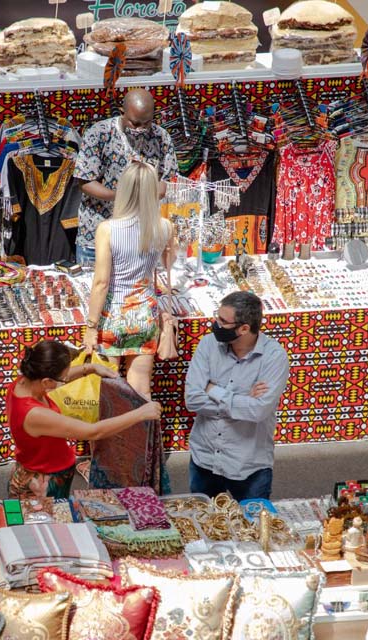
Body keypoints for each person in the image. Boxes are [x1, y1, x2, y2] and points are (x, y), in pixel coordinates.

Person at [8, 340, 162, 499]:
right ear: (46, 381)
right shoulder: (35, 414)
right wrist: (140, 414)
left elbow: (60, 377)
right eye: (61, 379)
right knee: (49, 521)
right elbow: (93, 431)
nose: (64, 380)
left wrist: (90, 368)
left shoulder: (23, 383)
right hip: (42, 483)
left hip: (43, 470)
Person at [184, 291, 289, 501]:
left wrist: (213, 390)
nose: (215, 324)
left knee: (253, 530)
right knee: (204, 526)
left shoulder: (274, 357)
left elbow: (258, 410)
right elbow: (192, 399)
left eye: (223, 321)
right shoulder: (208, 345)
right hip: (205, 458)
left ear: (244, 328)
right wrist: (243, 400)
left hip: (249, 466)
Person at [83, 161, 173, 398]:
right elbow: (168, 265)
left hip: (112, 315)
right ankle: (143, 434)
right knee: (141, 387)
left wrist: (91, 327)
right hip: (144, 313)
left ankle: (105, 435)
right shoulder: (164, 227)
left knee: (107, 391)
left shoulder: (108, 229)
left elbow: (101, 283)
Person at [74, 88, 178, 266]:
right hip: (98, 235)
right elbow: (84, 181)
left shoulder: (161, 137)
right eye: (135, 123)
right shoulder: (99, 134)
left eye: (147, 123)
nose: (141, 129)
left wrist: (150, 195)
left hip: (141, 238)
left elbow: (167, 180)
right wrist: (123, 197)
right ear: (122, 112)